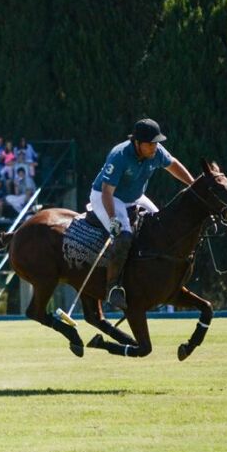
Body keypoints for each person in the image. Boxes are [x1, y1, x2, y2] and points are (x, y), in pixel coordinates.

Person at [91, 118, 194, 310]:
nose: (155, 147)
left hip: (135, 196)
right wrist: (113, 220)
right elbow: (106, 192)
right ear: (137, 142)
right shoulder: (120, 155)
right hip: (108, 197)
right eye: (150, 143)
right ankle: (113, 288)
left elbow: (173, 165)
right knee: (124, 237)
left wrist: (193, 185)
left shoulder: (156, 152)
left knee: (162, 228)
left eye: (156, 143)